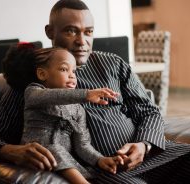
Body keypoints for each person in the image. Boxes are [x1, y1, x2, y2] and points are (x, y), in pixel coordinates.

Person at [0, 0, 190, 183]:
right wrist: (8, 151)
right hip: (105, 170)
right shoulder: (34, 77)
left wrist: (144, 144)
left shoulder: (113, 63)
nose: (82, 41)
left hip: (154, 155)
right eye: (71, 31)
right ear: (50, 31)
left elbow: (149, 111)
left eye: (88, 32)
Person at [20, 45, 124, 183]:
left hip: (63, 161)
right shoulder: (34, 92)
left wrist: (100, 159)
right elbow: (55, 96)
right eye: (64, 69)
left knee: (87, 168)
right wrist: (86, 94)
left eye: (74, 71)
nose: (72, 76)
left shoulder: (78, 109)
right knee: (54, 148)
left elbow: (82, 145)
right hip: (36, 156)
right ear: (42, 74)